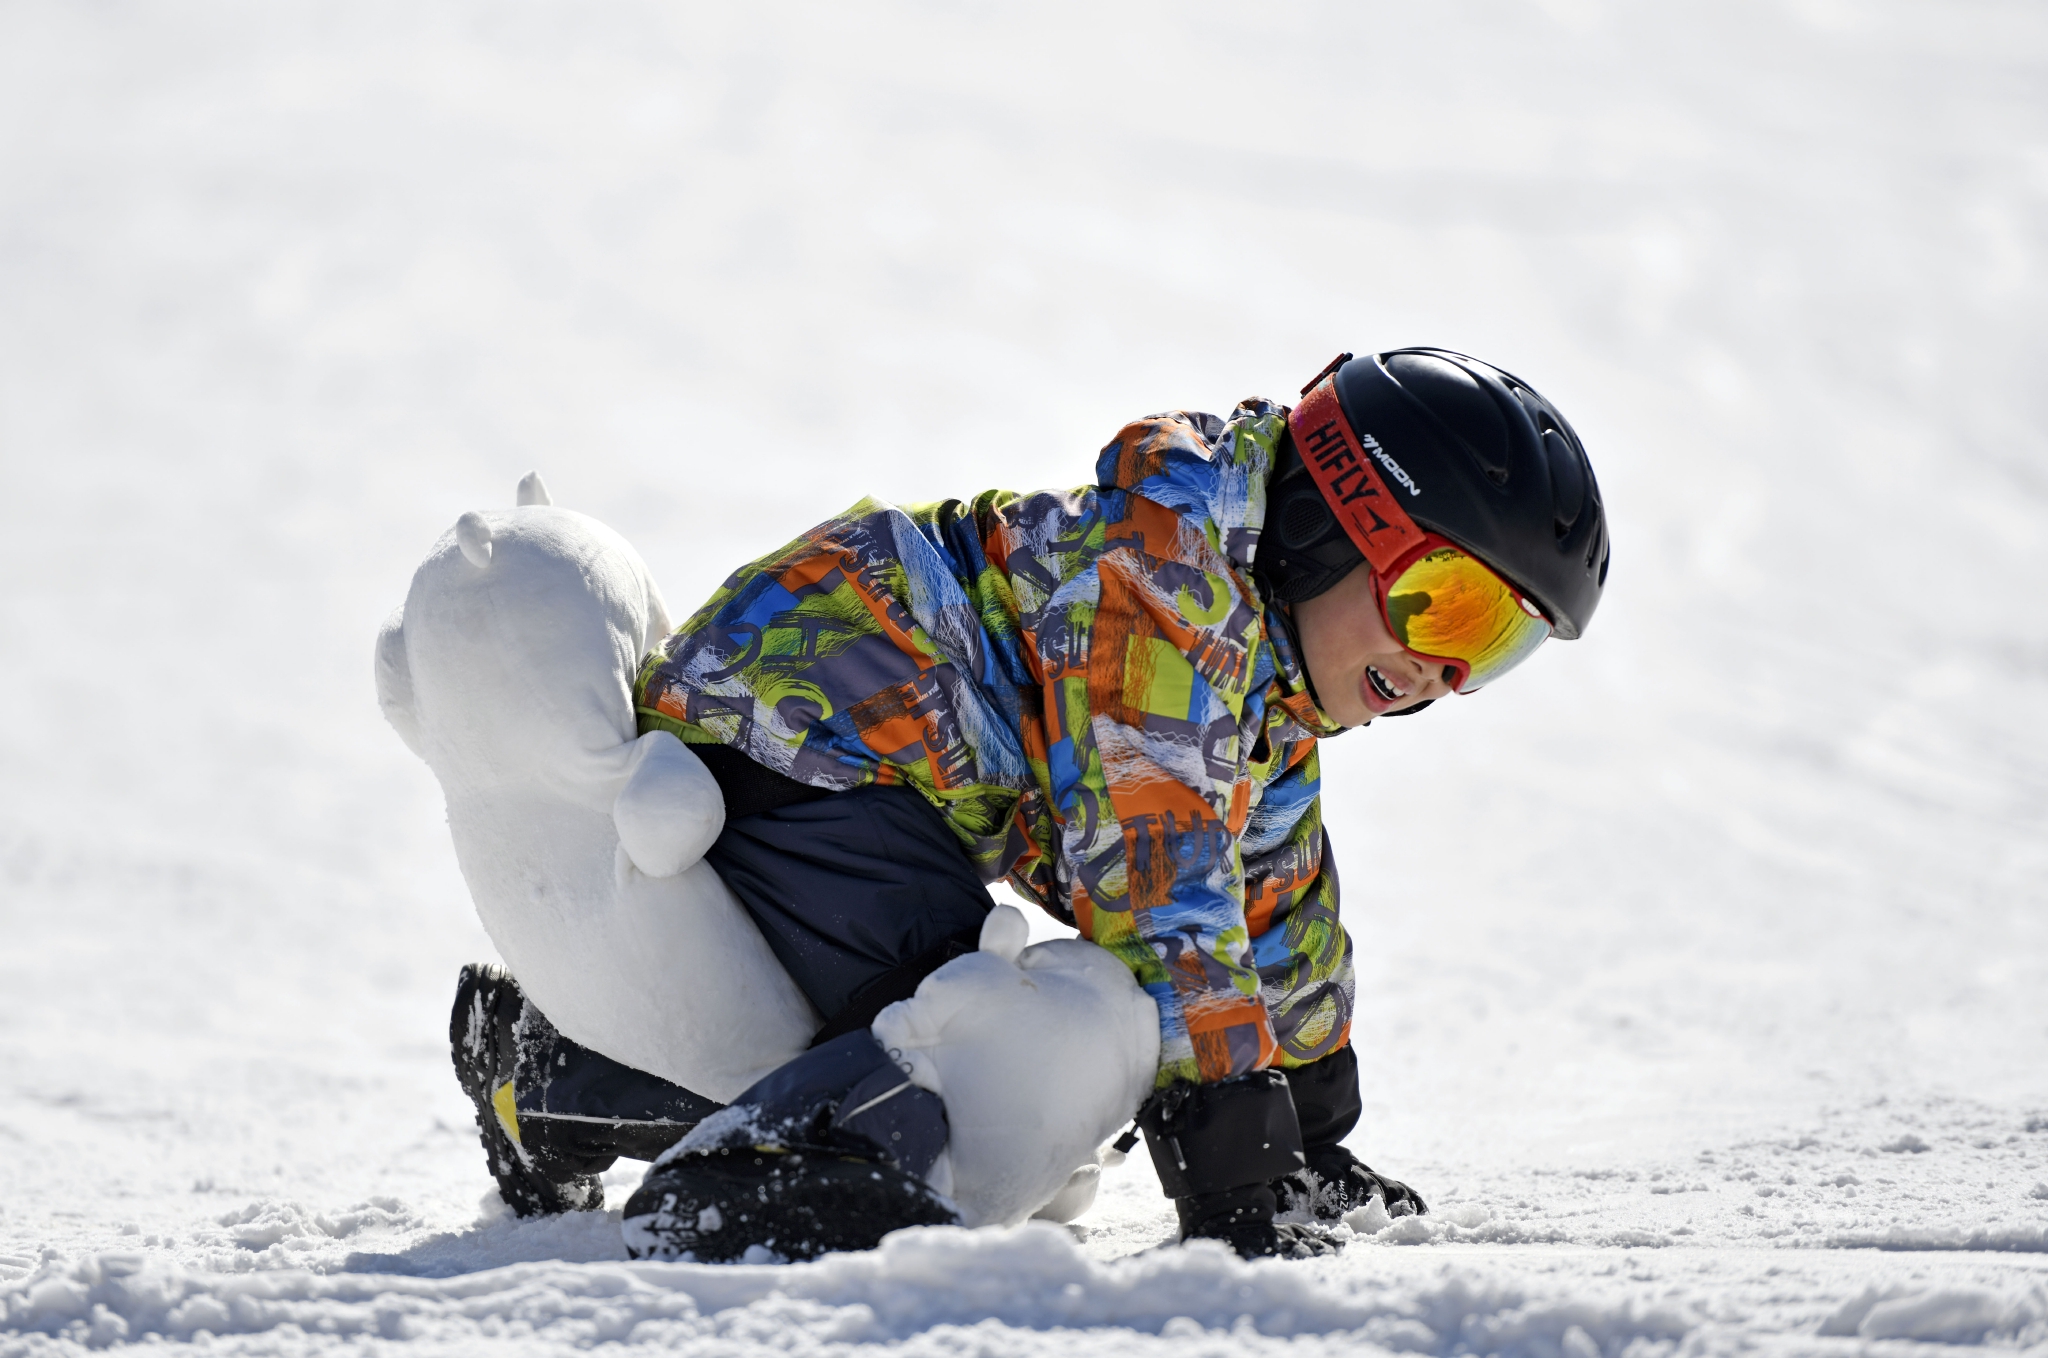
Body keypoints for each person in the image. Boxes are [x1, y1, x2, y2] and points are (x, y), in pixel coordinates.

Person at [447, 347, 1610, 1260]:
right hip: (802, 742)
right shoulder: (1163, 593)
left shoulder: (1261, 676)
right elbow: (1161, 891)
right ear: (1334, 515)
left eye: (1495, 646)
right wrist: (1232, 1175)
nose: (1443, 674)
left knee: (975, 1061)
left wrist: (1305, 1137)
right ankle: (756, 1171)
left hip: (873, 793)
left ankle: (546, 1076)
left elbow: (1272, 893)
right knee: (949, 1047)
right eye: (1445, 607)